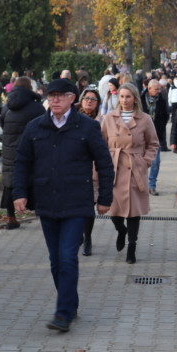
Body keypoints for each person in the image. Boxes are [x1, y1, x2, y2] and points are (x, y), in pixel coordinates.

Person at [12, 78, 114, 333]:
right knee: (55, 260)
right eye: (51, 95)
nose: (54, 99)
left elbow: (104, 163)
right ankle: (71, 302)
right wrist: (19, 193)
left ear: (72, 99)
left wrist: (104, 198)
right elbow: (22, 163)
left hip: (76, 203)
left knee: (68, 257)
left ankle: (63, 312)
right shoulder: (35, 127)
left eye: (60, 95)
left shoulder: (87, 127)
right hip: (47, 201)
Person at [100, 83, 160, 264]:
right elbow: (101, 144)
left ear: (135, 98)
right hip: (115, 168)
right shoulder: (109, 118)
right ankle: (121, 230)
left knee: (134, 211)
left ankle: (132, 247)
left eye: (128, 96)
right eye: (122, 96)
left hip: (135, 168)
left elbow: (153, 143)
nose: (124, 100)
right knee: (114, 210)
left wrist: (145, 161)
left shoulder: (145, 119)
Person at [0, 77, 44, 231]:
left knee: (10, 182)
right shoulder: (36, 107)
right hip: (29, 149)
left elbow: (2, 124)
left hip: (9, 149)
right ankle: (42, 214)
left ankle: (11, 217)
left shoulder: (7, 106)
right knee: (33, 180)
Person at [76, 86, 103, 255]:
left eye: (93, 99)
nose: (89, 102)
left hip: (93, 169)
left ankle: (88, 238)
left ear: (98, 103)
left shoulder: (103, 121)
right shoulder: (72, 117)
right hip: (75, 167)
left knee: (88, 206)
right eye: (87, 98)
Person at [141, 80, 169, 195]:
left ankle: (152, 185)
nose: (159, 91)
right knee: (140, 162)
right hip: (141, 136)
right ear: (149, 89)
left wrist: (160, 128)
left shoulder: (162, 100)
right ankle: (141, 185)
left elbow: (166, 115)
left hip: (155, 136)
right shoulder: (140, 100)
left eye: (160, 89)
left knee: (155, 162)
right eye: (157, 89)